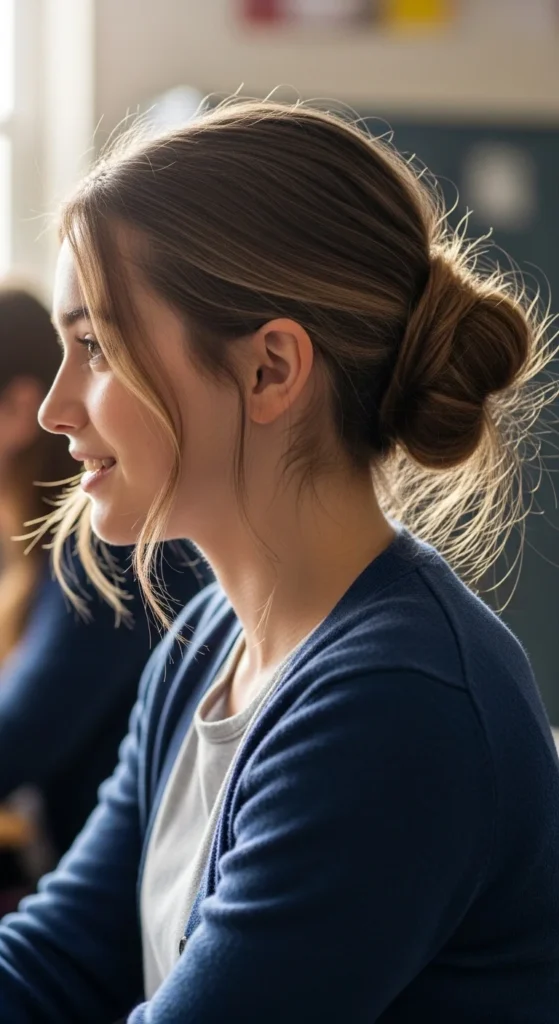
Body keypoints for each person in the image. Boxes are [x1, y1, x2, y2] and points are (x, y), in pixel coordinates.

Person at [0, 100, 557, 1023]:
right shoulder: (206, 641)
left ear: (270, 371)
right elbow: (64, 958)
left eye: (94, 346)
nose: (57, 409)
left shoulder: (396, 700)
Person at [0, 286, 211, 903]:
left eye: (94, 349)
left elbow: (17, 739)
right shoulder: (41, 546)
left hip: (123, 901)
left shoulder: (105, 547)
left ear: (14, 408)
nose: (57, 411)